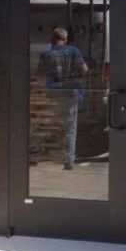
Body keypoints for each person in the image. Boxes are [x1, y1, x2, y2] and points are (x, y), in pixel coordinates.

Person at [38, 27, 89, 170]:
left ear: (52, 39)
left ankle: (47, 154)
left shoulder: (46, 54)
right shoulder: (74, 51)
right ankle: (68, 161)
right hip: (70, 93)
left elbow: (39, 75)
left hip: (53, 94)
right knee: (70, 127)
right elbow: (84, 69)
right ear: (66, 40)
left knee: (51, 124)